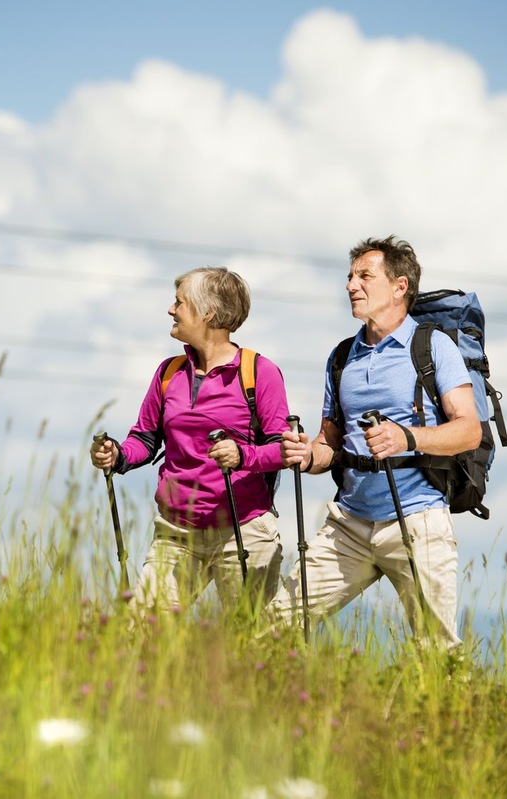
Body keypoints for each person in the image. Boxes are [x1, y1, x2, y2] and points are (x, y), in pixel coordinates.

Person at [270, 236, 481, 647]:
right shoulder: (341, 356)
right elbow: (330, 443)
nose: (351, 285)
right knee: (274, 627)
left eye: (365, 275)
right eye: (350, 276)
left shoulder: (433, 346)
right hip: (349, 523)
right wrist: (306, 454)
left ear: (400, 286)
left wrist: (406, 437)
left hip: (417, 520)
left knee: (437, 657)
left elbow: (468, 429)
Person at [90, 266, 289, 616]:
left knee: (251, 644)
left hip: (242, 532)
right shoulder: (169, 372)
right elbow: (145, 440)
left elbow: (282, 450)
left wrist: (242, 455)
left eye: (179, 302)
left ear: (208, 313)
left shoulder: (259, 372)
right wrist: (117, 455)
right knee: (145, 633)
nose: (171, 309)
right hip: (175, 532)